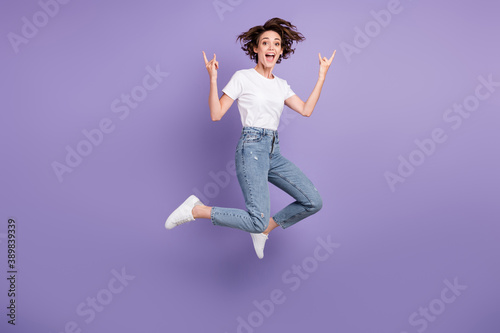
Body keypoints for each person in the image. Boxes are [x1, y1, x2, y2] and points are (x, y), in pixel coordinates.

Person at [165, 17, 335, 259]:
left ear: (281, 51)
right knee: (255, 219)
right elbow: (216, 114)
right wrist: (213, 80)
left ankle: (265, 229)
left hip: (273, 152)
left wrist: (322, 76)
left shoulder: (281, 85)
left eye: (276, 43)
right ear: (256, 48)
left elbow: (306, 110)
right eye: (265, 42)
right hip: (251, 149)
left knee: (313, 201)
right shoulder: (243, 77)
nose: (271, 47)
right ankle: (196, 209)